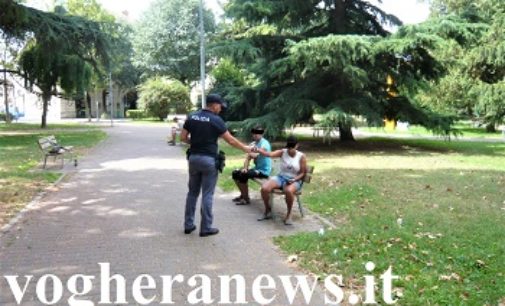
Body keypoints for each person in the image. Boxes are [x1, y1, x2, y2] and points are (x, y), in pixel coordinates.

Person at [180, 94, 252, 237]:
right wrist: (246, 149)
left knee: (192, 193)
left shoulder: (192, 116)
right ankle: (206, 228)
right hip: (209, 161)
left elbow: (183, 138)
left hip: (193, 159)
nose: (220, 109)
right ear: (214, 105)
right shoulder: (216, 120)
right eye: (220, 106)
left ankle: (188, 225)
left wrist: (194, 144)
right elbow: (231, 141)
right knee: (207, 194)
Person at [255, 135, 307, 225]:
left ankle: (289, 214)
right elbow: (269, 154)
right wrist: (259, 150)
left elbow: (302, 173)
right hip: (281, 177)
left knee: (288, 191)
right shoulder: (283, 152)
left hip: (295, 180)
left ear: (297, 145)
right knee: (264, 188)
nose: (290, 149)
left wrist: (294, 179)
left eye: (292, 147)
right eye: (289, 147)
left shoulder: (301, 156)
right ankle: (268, 210)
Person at [231, 126, 272, 205]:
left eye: (258, 133)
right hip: (256, 169)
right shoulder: (253, 144)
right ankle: (243, 195)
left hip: (264, 171)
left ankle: (246, 199)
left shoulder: (264, 143)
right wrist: (245, 168)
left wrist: (250, 151)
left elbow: (256, 154)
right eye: (254, 133)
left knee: (243, 175)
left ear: (262, 134)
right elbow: (248, 158)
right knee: (235, 173)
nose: (255, 135)